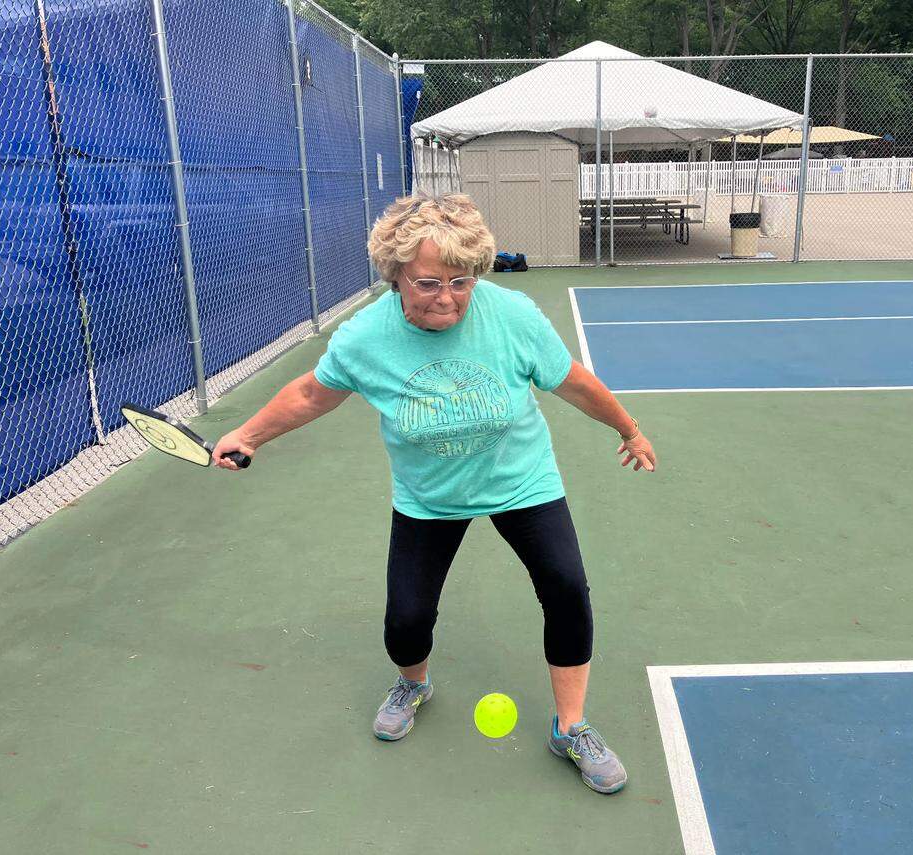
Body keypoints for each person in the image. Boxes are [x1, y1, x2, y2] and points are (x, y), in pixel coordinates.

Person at [212, 193, 657, 795]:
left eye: (460, 280)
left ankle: (572, 726)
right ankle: (413, 683)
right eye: (427, 282)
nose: (446, 296)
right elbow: (312, 394)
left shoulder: (513, 315)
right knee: (407, 620)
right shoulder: (366, 336)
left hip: (520, 481)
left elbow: (572, 382)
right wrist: (249, 434)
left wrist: (628, 428)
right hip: (428, 497)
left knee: (567, 587)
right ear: (394, 276)